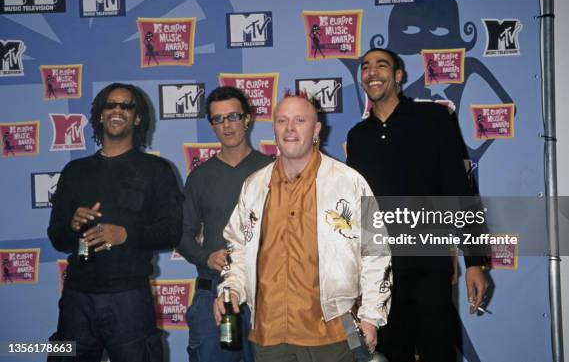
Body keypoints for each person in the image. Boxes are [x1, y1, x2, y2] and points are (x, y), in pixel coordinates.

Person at [214, 95, 392, 362]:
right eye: (282, 121)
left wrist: (371, 317)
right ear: (273, 127)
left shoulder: (348, 183)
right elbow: (237, 248)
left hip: (332, 334)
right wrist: (232, 289)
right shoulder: (254, 186)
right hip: (269, 335)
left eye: (300, 120)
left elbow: (376, 252)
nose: (290, 129)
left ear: (316, 129)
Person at [346, 48, 489, 362]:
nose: (372, 73)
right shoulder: (358, 137)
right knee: (390, 355)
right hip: (380, 275)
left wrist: (475, 261)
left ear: (398, 75)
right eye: (365, 67)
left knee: (438, 353)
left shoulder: (433, 119)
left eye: (381, 65)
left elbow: (459, 189)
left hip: (429, 267)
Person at [47, 82, 183, 362]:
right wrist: (72, 227)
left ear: (137, 117)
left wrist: (125, 235)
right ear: (100, 114)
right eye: (110, 104)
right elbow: (57, 238)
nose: (117, 110)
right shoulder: (75, 171)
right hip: (77, 298)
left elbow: (172, 231)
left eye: (127, 105)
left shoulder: (156, 170)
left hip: (129, 298)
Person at [178, 86, 273, 362]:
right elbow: (181, 234)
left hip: (265, 296)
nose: (227, 125)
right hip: (212, 296)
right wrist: (205, 257)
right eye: (218, 119)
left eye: (233, 116)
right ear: (211, 125)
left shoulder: (272, 171)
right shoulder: (200, 177)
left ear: (248, 119)